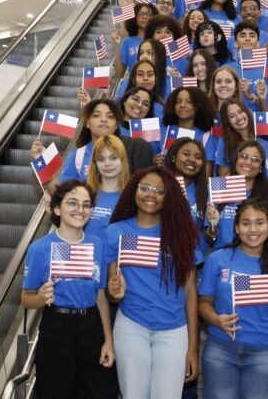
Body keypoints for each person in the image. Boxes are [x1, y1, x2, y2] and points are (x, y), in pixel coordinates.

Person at [105, 166, 203, 399]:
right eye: (145, 188)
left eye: (160, 191)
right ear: (133, 190)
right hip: (131, 326)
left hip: (174, 329)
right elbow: (112, 290)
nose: (151, 195)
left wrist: (192, 346)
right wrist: (114, 293)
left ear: (169, 198)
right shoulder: (115, 231)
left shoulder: (181, 234)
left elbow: (191, 294)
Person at [21, 180, 117, 398]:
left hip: (91, 327)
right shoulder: (40, 249)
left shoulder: (97, 244)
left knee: (96, 391)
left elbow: (100, 294)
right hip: (57, 326)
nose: (79, 210)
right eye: (72, 203)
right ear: (57, 208)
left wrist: (108, 341)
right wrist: (41, 297)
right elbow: (26, 298)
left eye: (86, 205)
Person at [199, 198, 268, 399]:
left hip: (264, 353)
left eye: (260, 222)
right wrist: (215, 319)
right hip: (220, 349)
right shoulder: (217, 259)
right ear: (236, 228)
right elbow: (203, 302)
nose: (253, 229)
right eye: (245, 223)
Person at [36, 98, 152, 182]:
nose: (104, 120)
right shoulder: (78, 155)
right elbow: (62, 195)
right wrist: (41, 162)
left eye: (110, 117)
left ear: (116, 125)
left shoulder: (131, 150)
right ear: (87, 123)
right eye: (96, 115)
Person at [205, 140, 268, 252]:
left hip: (256, 262)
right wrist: (213, 227)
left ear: (261, 167)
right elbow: (209, 241)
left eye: (255, 159)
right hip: (222, 261)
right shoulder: (218, 190)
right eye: (244, 156)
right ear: (236, 161)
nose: (248, 162)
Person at [215, 98, 268, 178]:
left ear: (246, 112)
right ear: (228, 122)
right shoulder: (224, 142)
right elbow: (224, 176)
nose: (239, 117)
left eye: (240, 112)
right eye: (232, 116)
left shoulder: (265, 144)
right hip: (238, 190)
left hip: (261, 190)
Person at [159, 86, 216, 172]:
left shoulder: (206, 137)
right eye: (178, 101)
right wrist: (155, 162)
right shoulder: (163, 131)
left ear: (198, 106)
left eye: (189, 102)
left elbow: (206, 176)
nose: (182, 105)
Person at [86, 135, 131, 238]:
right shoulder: (85, 195)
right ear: (95, 164)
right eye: (101, 159)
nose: (107, 164)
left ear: (122, 160)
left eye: (113, 158)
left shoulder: (132, 198)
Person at [164, 137, 210, 228]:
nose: (192, 160)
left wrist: (213, 228)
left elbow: (210, 235)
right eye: (186, 154)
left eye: (198, 157)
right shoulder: (161, 186)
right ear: (174, 157)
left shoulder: (208, 191)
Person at [226, 21, 268, 112]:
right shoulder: (227, 69)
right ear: (235, 43)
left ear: (258, 43)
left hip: (261, 123)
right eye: (242, 35)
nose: (247, 39)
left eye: (252, 35)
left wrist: (250, 96)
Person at [113, 3, 157, 78]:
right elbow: (119, 75)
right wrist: (117, 46)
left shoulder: (158, 40)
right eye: (140, 14)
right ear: (134, 17)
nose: (145, 17)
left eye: (148, 14)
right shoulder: (127, 42)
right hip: (135, 87)